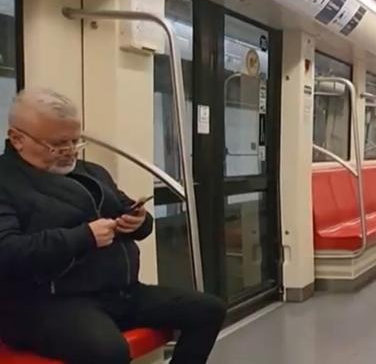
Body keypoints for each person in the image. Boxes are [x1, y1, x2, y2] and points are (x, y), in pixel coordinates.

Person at [0, 88, 227, 364]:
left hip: (118, 292)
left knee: (208, 310)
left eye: (75, 141)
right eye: (58, 145)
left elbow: (134, 216)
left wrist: (139, 221)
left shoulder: (93, 172)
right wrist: (84, 237)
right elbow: (8, 251)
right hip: (45, 304)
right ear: (18, 139)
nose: (70, 152)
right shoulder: (6, 182)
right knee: (109, 353)